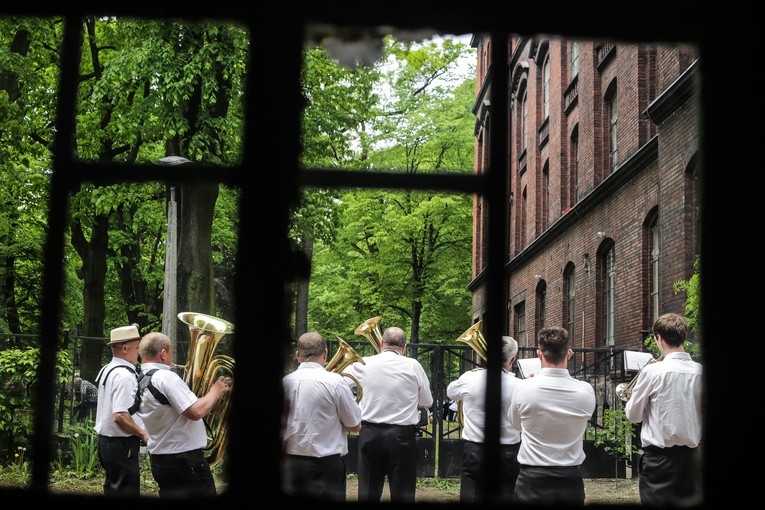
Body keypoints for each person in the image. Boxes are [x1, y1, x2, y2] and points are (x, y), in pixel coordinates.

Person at [134, 331, 232, 498]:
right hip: (185, 463)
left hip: (161, 461)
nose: (172, 358)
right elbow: (196, 411)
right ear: (163, 354)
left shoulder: (140, 379)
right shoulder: (165, 378)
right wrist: (216, 391)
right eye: (171, 352)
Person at [343, 326, 433, 503]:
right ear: (404, 346)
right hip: (402, 436)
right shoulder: (413, 365)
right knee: (403, 493)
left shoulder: (364, 363)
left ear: (381, 343)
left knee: (368, 492)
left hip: (369, 434)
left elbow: (338, 386)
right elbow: (427, 401)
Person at [508, 325, 596, 506]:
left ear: (539, 354)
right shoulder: (585, 390)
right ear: (569, 353)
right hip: (570, 478)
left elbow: (516, 425)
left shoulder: (523, 387)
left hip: (532, 478)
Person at [625, 312, 702, 507]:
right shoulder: (699, 371)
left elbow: (633, 416)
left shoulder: (653, 371)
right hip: (692, 458)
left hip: (659, 461)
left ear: (659, 338)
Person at [282, 332, 362, 501]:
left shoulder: (285, 382)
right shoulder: (336, 382)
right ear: (325, 353)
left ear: (298, 355)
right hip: (326, 467)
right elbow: (355, 426)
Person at [447, 335, 522, 503]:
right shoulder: (519, 385)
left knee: (471, 493)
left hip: (476, 449)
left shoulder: (469, 378)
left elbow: (450, 392)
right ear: (513, 359)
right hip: (508, 451)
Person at [93, 324, 149, 497]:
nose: (139, 352)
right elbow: (120, 415)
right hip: (121, 445)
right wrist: (142, 433)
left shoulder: (108, 369)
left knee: (114, 489)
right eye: (137, 348)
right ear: (125, 348)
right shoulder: (124, 375)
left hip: (108, 444)